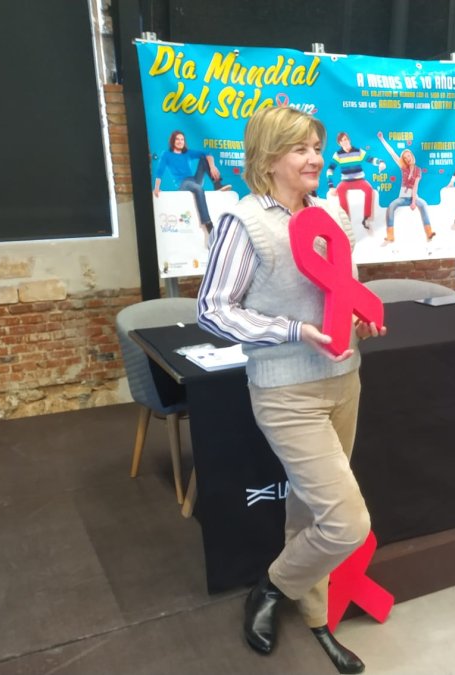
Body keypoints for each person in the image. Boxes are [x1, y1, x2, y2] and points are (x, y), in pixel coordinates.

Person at [197, 105, 385, 675]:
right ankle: (272, 587)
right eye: (301, 149)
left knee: (310, 514)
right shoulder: (245, 221)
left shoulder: (331, 213)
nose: (315, 159)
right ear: (268, 157)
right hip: (286, 392)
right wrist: (293, 331)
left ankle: (315, 620)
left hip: (344, 381)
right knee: (347, 522)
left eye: (317, 148)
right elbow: (213, 310)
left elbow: (342, 293)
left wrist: (360, 321)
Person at [153, 130, 231, 237]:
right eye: (177, 139)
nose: (180, 141)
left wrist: (212, 166)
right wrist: (157, 187)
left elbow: (208, 153)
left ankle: (217, 185)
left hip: (194, 180)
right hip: (183, 183)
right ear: (172, 141)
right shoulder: (166, 155)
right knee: (199, 188)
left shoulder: (187, 153)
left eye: (182, 139)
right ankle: (207, 222)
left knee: (204, 158)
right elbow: (160, 171)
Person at [375, 131, 434, 245]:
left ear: (412, 156)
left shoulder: (418, 170)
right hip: (402, 198)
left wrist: (414, 202)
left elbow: (415, 187)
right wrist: (382, 139)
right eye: (405, 158)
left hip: (413, 197)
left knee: (423, 204)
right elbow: (392, 153)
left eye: (409, 156)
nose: (408, 159)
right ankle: (390, 235)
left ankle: (429, 232)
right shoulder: (403, 167)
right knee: (391, 207)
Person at [327, 132, 385, 230]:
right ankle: (346, 218)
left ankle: (366, 218)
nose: (344, 142)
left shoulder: (358, 151)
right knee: (340, 189)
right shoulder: (338, 155)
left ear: (349, 140)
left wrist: (381, 162)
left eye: (345, 139)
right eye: (342, 141)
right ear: (339, 143)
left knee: (369, 189)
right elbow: (330, 170)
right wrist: (331, 186)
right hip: (345, 181)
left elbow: (370, 159)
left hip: (359, 180)